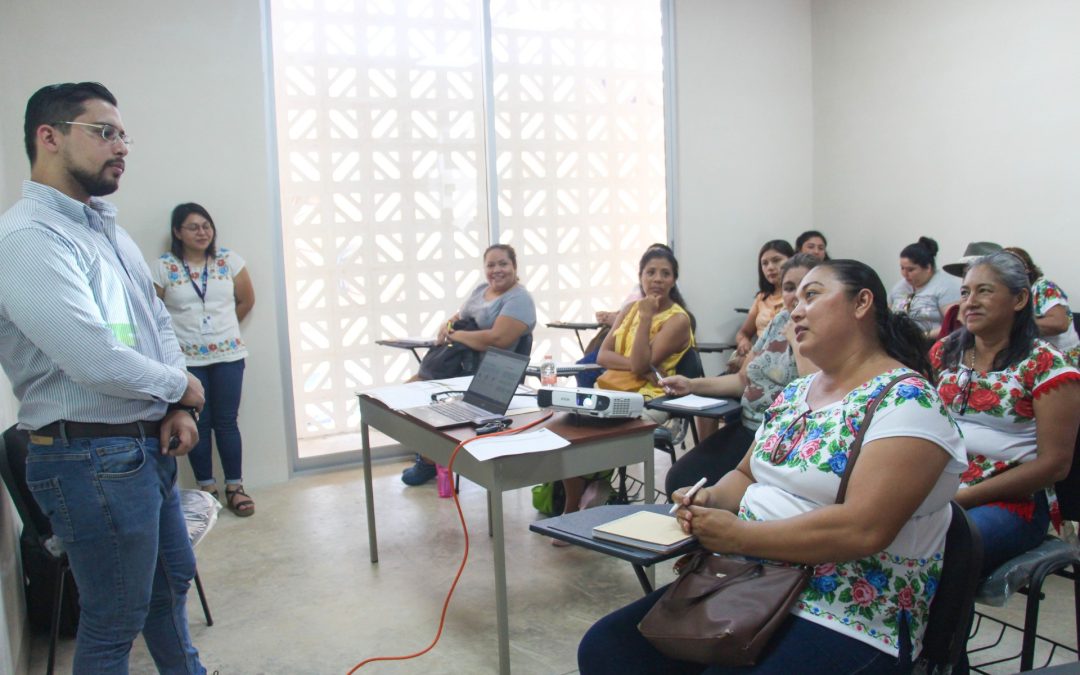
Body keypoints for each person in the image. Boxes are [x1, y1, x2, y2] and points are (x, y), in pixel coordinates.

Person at [578, 260, 966, 674]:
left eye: (812, 296)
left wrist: (742, 536)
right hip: (750, 579)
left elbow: (863, 528)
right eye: (793, 299)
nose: (795, 310)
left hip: (845, 607)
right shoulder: (799, 391)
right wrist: (708, 498)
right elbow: (747, 475)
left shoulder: (907, 401)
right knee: (607, 650)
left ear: (862, 303)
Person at [0, 83, 208, 672]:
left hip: (144, 446)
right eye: (104, 132)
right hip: (88, 458)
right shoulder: (28, 240)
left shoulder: (106, 232)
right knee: (115, 619)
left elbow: (155, 326)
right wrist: (182, 388)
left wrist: (176, 407)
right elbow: (93, 358)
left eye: (124, 136)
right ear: (50, 136)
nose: (121, 147)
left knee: (169, 590)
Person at [930, 251, 1080, 575]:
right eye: (966, 292)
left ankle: (942, 627)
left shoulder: (1047, 366)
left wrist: (963, 498)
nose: (970, 302)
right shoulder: (945, 352)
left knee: (940, 546)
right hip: (938, 486)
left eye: (984, 290)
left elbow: (1054, 465)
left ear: (1020, 298)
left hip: (1011, 501)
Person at [661, 254, 820, 496]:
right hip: (748, 427)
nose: (795, 295)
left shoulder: (824, 330)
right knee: (681, 479)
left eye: (806, 289)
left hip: (786, 438)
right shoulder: (779, 322)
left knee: (725, 497)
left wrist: (796, 342)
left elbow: (815, 391)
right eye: (789, 288)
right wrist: (691, 384)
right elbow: (741, 380)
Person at [556, 247, 694, 524]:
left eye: (665, 273)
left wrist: (645, 319)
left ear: (674, 279)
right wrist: (632, 362)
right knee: (564, 426)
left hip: (648, 398)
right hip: (608, 388)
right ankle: (576, 503)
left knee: (598, 431)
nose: (657, 279)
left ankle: (594, 491)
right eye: (650, 272)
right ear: (640, 276)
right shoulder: (630, 308)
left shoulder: (678, 319)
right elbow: (603, 356)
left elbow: (642, 365)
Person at [401, 243, 536, 485]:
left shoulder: (520, 299)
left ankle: (432, 460)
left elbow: (498, 339)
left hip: (489, 376)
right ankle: (430, 456)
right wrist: (448, 324)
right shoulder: (481, 289)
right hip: (461, 364)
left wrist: (457, 336)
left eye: (503, 264)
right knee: (409, 391)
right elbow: (462, 316)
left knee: (425, 394)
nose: (497, 270)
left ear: (514, 267)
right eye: (491, 265)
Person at [153, 203, 256, 516]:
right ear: (177, 232)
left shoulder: (229, 260)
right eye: (193, 227)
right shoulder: (163, 267)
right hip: (186, 361)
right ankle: (207, 489)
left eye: (206, 226)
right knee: (199, 423)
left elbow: (247, 300)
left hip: (228, 356)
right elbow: (152, 313)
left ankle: (235, 487)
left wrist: (221, 331)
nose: (202, 232)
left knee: (227, 422)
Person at [1003, 246, 1080, 367]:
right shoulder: (1009, 294)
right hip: (1035, 355)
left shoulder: (1042, 286)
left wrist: (1016, 324)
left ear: (1026, 270)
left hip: (1062, 359)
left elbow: (1060, 323)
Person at [730, 240, 795, 372]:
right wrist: (744, 342)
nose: (770, 267)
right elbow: (743, 332)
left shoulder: (796, 296)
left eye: (776, 260)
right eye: (764, 263)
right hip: (758, 355)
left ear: (792, 260)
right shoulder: (762, 297)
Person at [888, 236, 960, 337]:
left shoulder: (945, 287)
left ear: (928, 267)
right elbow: (886, 317)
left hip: (930, 343)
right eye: (902, 268)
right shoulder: (899, 287)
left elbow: (953, 325)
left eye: (911, 270)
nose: (905, 274)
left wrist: (923, 336)